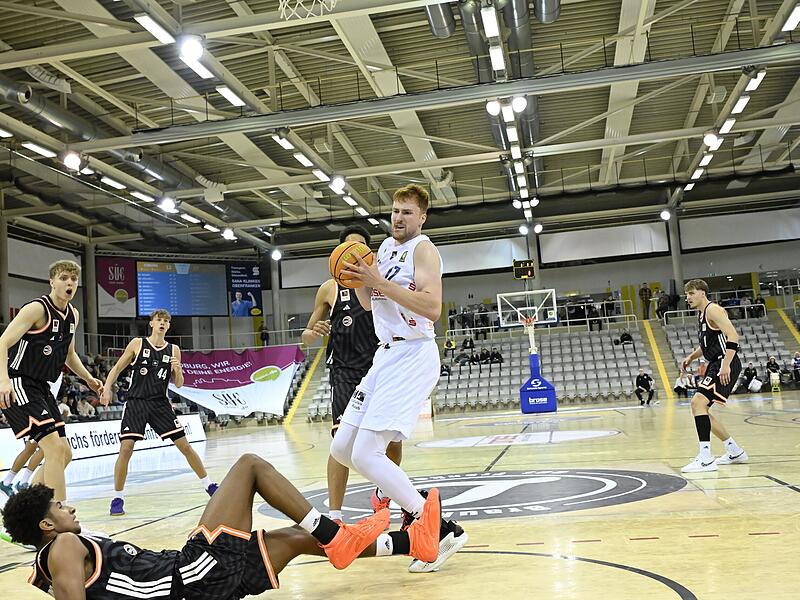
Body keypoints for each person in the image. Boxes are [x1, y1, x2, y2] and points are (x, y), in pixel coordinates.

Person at [1, 454, 437, 599]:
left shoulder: (61, 551)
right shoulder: (61, 549)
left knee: (295, 539)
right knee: (249, 466)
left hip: (200, 581)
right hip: (190, 578)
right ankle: (335, 535)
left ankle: (412, 542)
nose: (68, 507)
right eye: (59, 505)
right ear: (46, 525)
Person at [331, 184, 468, 572]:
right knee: (343, 447)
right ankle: (417, 508)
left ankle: (435, 529)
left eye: (407, 212)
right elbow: (371, 301)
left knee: (365, 454)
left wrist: (379, 282)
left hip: (414, 352)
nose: (398, 218)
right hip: (385, 354)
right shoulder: (385, 251)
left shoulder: (423, 249)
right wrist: (357, 279)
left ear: (422, 217)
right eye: (394, 211)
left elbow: (432, 306)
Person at [301, 225, 402, 527]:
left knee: (393, 443)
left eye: (359, 249)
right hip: (344, 371)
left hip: (380, 368)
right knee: (340, 446)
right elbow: (306, 335)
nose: (353, 255)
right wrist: (313, 332)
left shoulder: (381, 285)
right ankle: (334, 516)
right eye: (348, 249)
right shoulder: (329, 288)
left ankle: (383, 492)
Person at [0, 260, 103, 502]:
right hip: (18, 381)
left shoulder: (73, 315)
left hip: (42, 386)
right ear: (52, 281)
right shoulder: (37, 309)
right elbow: (2, 342)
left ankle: (31, 506)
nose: (70, 283)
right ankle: (61, 514)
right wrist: (3, 380)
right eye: (64, 278)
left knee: (65, 453)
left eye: (74, 279)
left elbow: (70, 354)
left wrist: (88, 378)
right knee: (54, 448)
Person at [101, 309, 217, 516]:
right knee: (126, 449)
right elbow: (117, 368)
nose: (162, 323)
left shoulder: (173, 350)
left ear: (168, 326)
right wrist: (107, 388)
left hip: (160, 404)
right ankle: (117, 497)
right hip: (136, 402)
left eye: (165, 321)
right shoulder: (137, 344)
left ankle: (209, 485)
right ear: (152, 324)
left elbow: (179, 385)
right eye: (159, 320)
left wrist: (179, 370)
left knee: (185, 446)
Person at [680, 279, 748, 472]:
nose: (688, 298)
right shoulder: (702, 315)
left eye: (691, 293)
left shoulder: (713, 310)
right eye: (687, 295)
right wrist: (691, 357)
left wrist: (726, 365)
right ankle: (734, 451)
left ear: (702, 293)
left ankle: (705, 458)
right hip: (716, 363)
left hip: (724, 363)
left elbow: (733, 336)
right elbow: (708, 345)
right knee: (701, 408)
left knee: (697, 403)